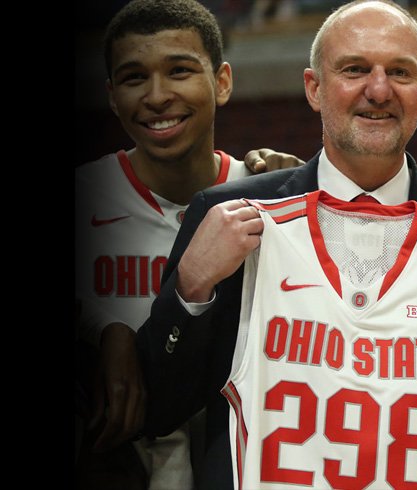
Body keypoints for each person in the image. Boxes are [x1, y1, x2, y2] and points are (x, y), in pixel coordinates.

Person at [135, 1, 417, 488]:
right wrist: (190, 291)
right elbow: (158, 409)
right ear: (314, 88)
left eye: (400, 73)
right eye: (355, 69)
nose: (379, 89)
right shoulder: (230, 217)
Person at [74, 1, 250, 487]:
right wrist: (106, 328)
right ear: (112, 96)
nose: (156, 96)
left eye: (179, 72)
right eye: (133, 78)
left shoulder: (266, 194)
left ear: (222, 82)